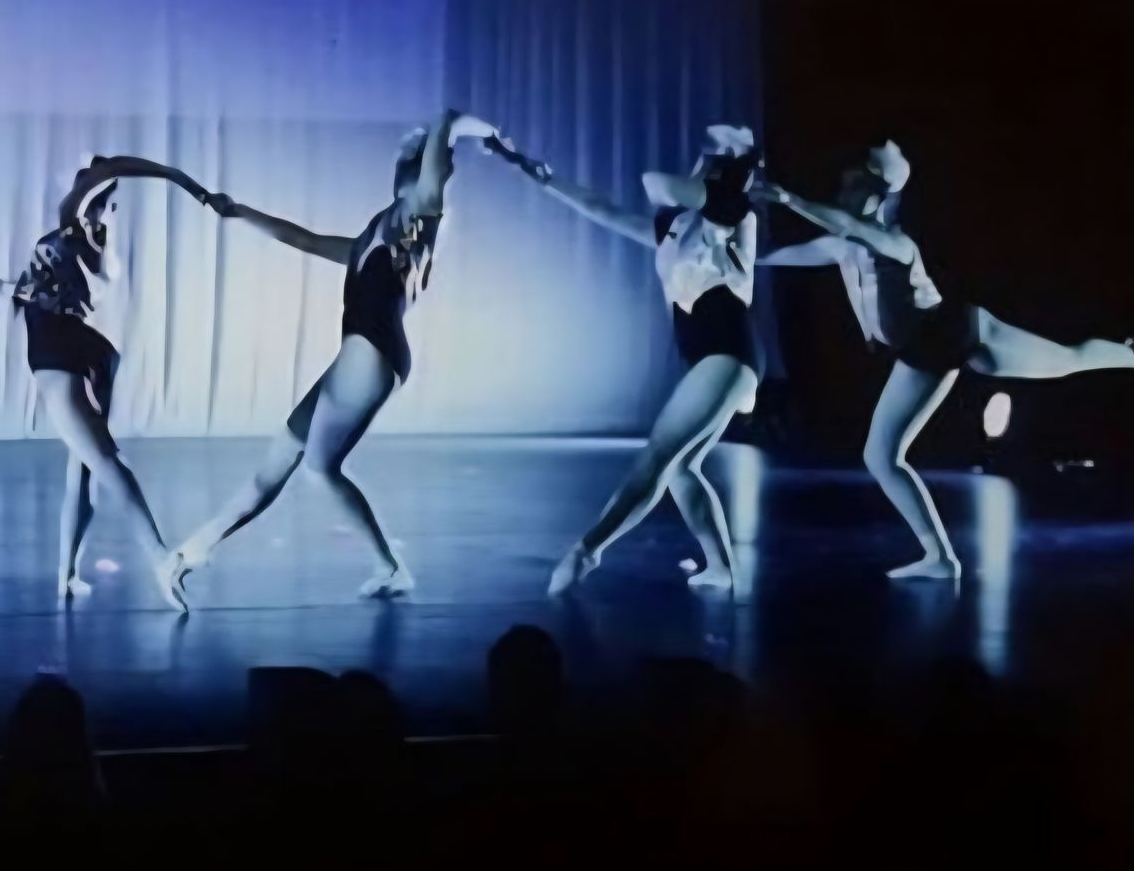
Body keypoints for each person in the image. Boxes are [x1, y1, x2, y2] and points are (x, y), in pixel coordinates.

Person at [759, 141, 1134, 578]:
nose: (842, 196)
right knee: (1065, 360)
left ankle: (940, 558)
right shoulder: (842, 247)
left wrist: (790, 200)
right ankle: (939, 558)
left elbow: (847, 226)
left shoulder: (894, 241)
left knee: (882, 456)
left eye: (852, 189)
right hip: (960, 334)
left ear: (877, 198)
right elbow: (772, 256)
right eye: (841, 188)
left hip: (941, 337)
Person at [177, 110, 504, 599]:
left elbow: (448, 124)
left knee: (318, 469)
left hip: (372, 354)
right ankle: (194, 550)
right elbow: (303, 239)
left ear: (423, 172)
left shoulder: (422, 213)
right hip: (358, 356)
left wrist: (471, 132)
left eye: (410, 157)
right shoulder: (374, 231)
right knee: (281, 459)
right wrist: (239, 210)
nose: (400, 162)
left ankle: (391, 568)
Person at [494, 125, 763, 594]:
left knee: (658, 456)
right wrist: (542, 177)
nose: (699, 161)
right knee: (681, 467)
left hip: (728, 354)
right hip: (709, 359)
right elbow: (602, 209)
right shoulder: (673, 228)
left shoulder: (736, 215)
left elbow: (654, 182)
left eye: (711, 158)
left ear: (724, 175)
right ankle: (720, 567)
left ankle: (587, 552)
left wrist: (743, 158)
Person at [15, 155, 219, 610]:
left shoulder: (75, 228)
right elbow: (33, 288)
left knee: (100, 462)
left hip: (61, 352)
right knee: (83, 469)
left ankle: (161, 559)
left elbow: (105, 170)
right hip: (90, 352)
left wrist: (178, 177)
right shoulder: (93, 244)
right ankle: (66, 573)